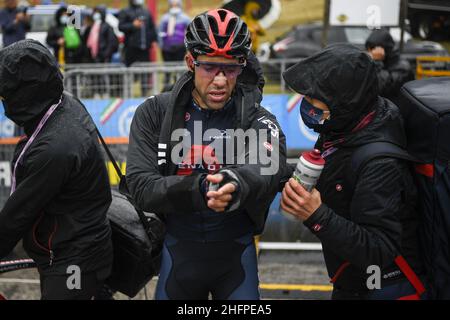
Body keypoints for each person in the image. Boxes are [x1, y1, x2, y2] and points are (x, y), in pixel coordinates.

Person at [126, 9, 287, 300]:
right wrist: (200, 188)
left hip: (236, 256)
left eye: (231, 68)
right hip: (178, 255)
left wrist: (236, 181)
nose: (221, 81)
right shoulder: (154, 113)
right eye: (210, 67)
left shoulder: (257, 118)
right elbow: (141, 186)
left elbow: (267, 164)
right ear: (190, 62)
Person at [281, 43, 425, 300]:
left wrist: (315, 214)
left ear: (343, 100)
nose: (307, 103)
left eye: (314, 97)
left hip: (382, 288)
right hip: (353, 282)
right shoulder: (345, 125)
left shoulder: (379, 161)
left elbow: (380, 249)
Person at [0, 40, 113, 299]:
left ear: (24, 95)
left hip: (71, 262)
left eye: (6, 95)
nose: (4, 103)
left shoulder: (54, 148)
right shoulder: (63, 103)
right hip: (81, 247)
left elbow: (18, 215)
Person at [365, 29, 414, 104]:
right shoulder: (382, 63)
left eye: (372, 50)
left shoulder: (402, 68)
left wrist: (377, 62)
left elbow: (383, 88)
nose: (370, 54)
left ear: (383, 49)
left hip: (398, 110)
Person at [158, 0, 190, 87]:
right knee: (167, 71)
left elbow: (190, 31)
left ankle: (178, 87)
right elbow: (160, 32)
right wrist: (161, 45)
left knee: (178, 70)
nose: (174, 7)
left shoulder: (185, 18)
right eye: (172, 5)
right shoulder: (164, 18)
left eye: (176, 5)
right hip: (167, 49)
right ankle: (166, 88)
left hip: (180, 47)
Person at [118, 0, 158, 67]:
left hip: (145, 48)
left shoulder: (146, 12)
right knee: (131, 71)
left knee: (145, 72)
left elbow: (152, 28)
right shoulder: (125, 11)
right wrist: (132, 25)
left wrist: (154, 40)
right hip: (130, 49)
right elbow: (120, 26)